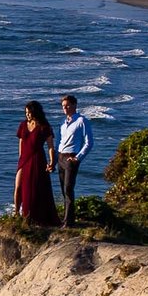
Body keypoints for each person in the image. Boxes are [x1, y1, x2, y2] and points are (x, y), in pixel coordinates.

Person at [14, 100, 57, 228]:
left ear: (35, 112)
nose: (27, 115)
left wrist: (52, 161)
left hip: (38, 158)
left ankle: (34, 216)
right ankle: (17, 213)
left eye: (29, 112)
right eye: (26, 113)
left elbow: (50, 146)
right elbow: (21, 143)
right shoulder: (23, 125)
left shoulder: (44, 126)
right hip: (24, 159)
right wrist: (21, 159)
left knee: (36, 188)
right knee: (18, 186)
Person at [53, 94, 93, 226]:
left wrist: (77, 158)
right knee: (64, 190)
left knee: (69, 188)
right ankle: (66, 218)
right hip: (61, 156)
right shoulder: (63, 124)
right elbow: (59, 141)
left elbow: (89, 142)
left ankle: (69, 222)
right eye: (63, 106)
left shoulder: (81, 121)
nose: (65, 108)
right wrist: (54, 158)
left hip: (71, 157)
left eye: (68, 105)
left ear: (75, 105)